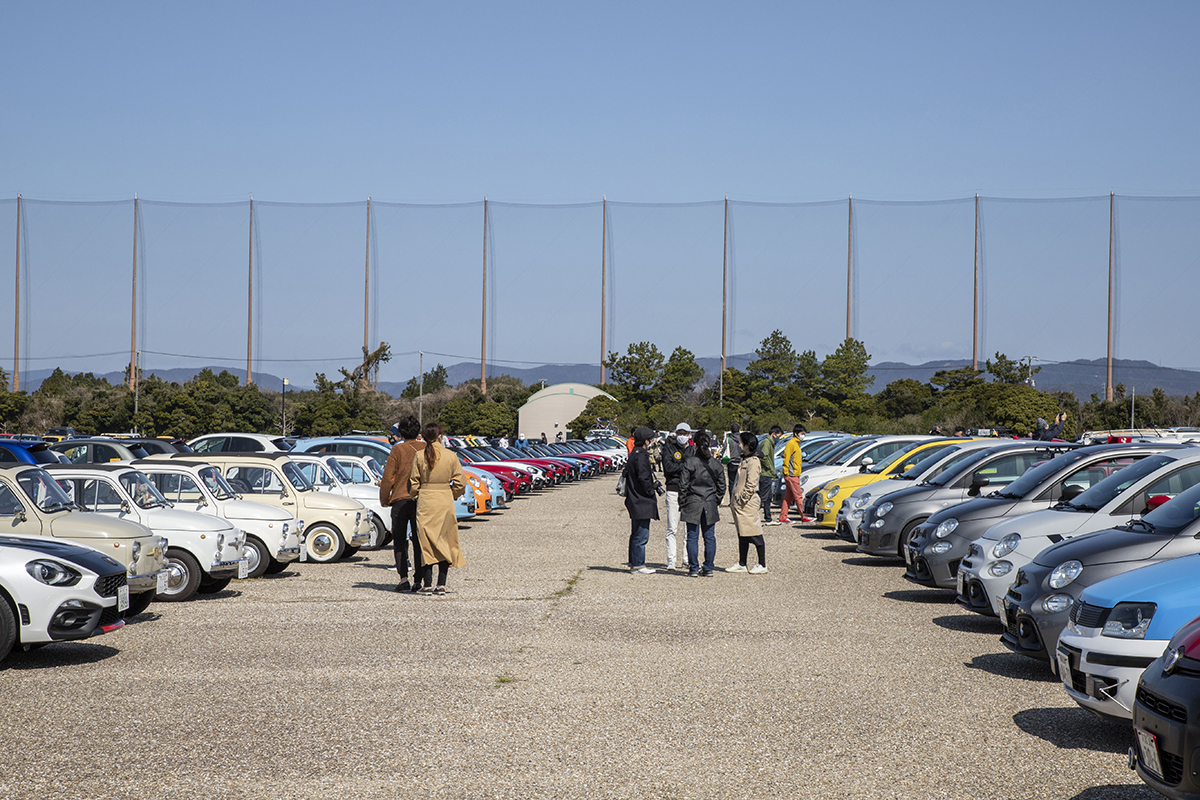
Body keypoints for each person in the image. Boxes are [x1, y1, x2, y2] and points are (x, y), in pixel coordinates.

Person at [408, 421, 467, 595]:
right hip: (444, 500)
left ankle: (427, 585)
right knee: (445, 540)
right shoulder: (450, 455)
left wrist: (416, 495)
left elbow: (413, 482)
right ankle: (441, 584)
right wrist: (452, 494)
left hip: (426, 500)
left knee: (426, 542)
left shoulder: (419, 455)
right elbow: (460, 481)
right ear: (439, 436)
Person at [379, 415, 425, 592]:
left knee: (399, 540)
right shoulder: (425, 448)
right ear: (418, 431)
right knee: (419, 540)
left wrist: (385, 499)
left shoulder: (397, 450)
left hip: (399, 498)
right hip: (421, 499)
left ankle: (403, 578)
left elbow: (388, 478)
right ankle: (419, 579)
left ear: (401, 433)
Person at [679, 430, 726, 576]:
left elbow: (683, 485)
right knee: (709, 537)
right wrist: (716, 499)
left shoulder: (690, 462)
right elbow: (722, 486)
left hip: (693, 501)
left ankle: (693, 568)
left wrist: (682, 502)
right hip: (710, 502)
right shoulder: (716, 464)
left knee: (692, 537)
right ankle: (708, 567)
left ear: (695, 445)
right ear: (709, 444)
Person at [727, 431, 767, 574]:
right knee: (742, 533)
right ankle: (742, 563)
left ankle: (762, 564)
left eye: (741, 442)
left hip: (748, 503)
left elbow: (751, 483)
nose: (739, 445)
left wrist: (742, 498)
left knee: (754, 533)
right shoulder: (745, 459)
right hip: (740, 503)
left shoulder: (754, 461)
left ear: (747, 445)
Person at [622, 426, 659, 574]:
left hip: (634, 498)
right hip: (641, 500)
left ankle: (633, 562)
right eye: (650, 439)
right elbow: (644, 478)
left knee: (635, 532)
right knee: (641, 535)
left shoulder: (633, 454)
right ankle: (638, 564)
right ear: (646, 441)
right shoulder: (641, 456)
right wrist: (652, 489)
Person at [660, 422, 695, 570]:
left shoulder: (693, 450)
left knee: (689, 529)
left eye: (684, 433)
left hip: (689, 492)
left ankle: (686, 559)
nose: (681, 436)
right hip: (673, 490)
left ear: (689, 435)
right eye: (679, 433)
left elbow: (695, 470)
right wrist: (685, 468)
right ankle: (671, 560)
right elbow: (668, 468)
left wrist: (679, 468)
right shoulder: (669, 448)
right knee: (672, 528)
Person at [779, 424, 807, 525]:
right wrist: (786, 472)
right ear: (796, 434)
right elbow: (786, 458)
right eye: (802, 433)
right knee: (798, 496)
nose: (803, 436)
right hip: (792, 474)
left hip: (794, 474)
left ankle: (783, 517)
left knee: (788, 497)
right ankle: (803, 516)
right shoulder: (791, 444)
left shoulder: (796, 444)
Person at [758, 425, 783, 525]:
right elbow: (763, 457)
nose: (779, 438)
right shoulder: (766, 443)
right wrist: (770, 468)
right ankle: (752, 517)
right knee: (762, 497)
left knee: (768, 497)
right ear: (773, 434)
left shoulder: (770, 443)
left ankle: (768, 518)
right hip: (765, 473)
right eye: (778, 436)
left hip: (768, 473)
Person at [720, 423, 742, 501]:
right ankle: (738, 499)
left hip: (731, 463)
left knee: (731, 483)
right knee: (740, 482)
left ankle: (732, 499)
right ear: (739, 430)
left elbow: (724, 450)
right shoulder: (742, 439)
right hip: (740, 463)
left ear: (731, 431)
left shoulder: (729, 439)